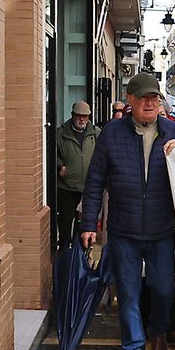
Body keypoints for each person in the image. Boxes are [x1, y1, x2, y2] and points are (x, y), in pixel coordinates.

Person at [81, 72, 175, 350]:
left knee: (164, 289)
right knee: (127, 293)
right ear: (130, 100)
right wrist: (89, 222)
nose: (150, 102)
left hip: (161, 229)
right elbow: (95, 180)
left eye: (154, 98)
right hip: (124, 230)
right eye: (143, 98)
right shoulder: (112, 134)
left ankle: (157, 332)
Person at [54, 101, 97, 248]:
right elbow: (50, 153)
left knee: (85, 224)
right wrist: (60, 166)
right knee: (66, 222)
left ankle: (81, 255)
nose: (82, 120)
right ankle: (65, 252)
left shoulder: (95, 133)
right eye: (79, 116)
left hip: (88, 187)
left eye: (85, 117)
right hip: (67, 187)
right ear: (73, 115)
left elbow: (104, 155)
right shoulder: (60, 133)